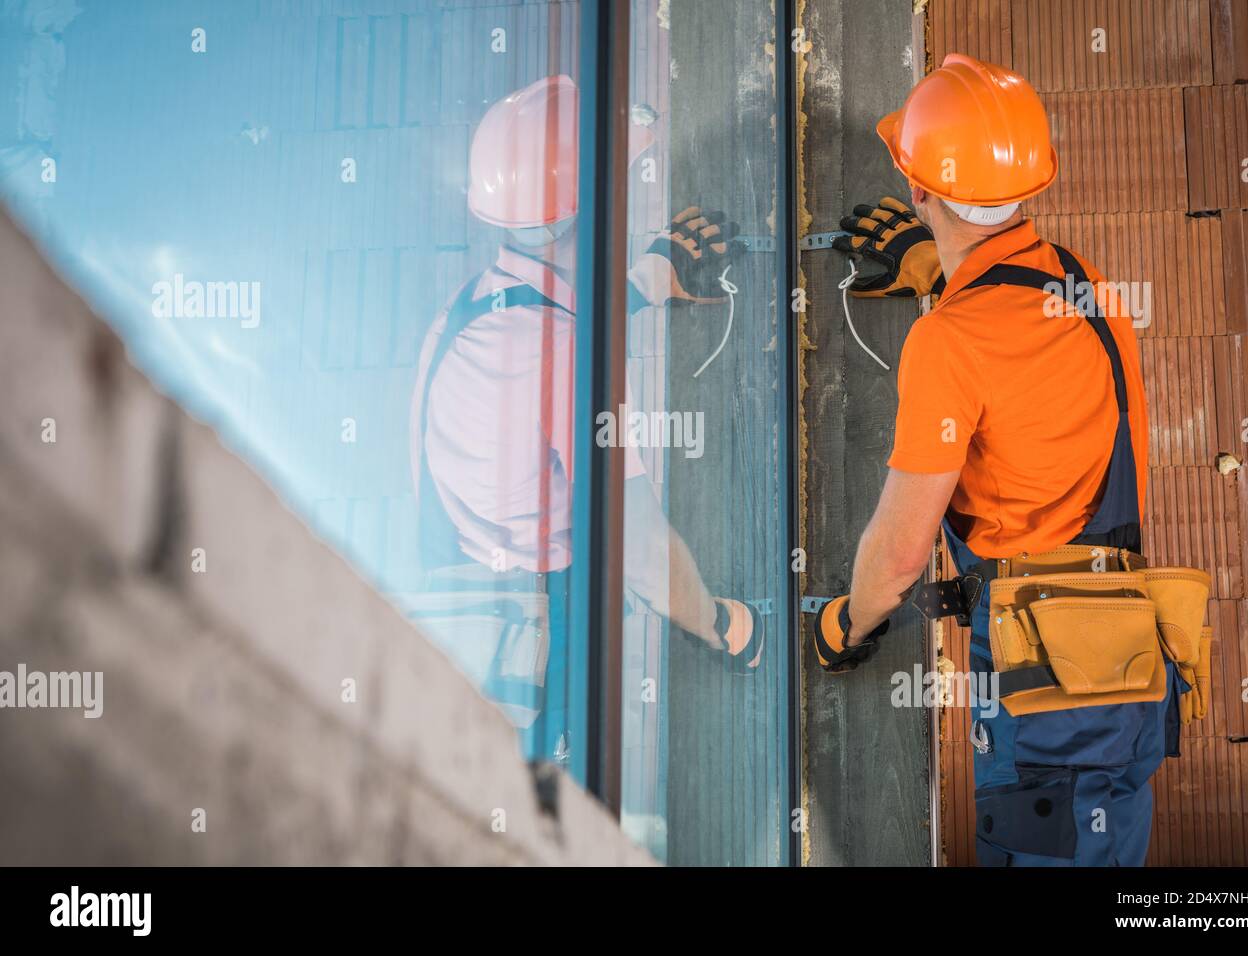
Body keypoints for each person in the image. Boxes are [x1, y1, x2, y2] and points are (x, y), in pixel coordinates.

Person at [813, 54, 1181, 866]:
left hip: (1044, 688)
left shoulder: (949, 343)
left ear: (918, 190)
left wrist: (846, 624)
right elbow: (1024, 370)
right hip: (1122, 661)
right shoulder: (1090, 291)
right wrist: (940, 272)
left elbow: (900, 558)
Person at [409, 75, 765, 737]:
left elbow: (542, 356)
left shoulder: (468, 308)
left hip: (475, 595)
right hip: (540, 637)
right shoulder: (565, 354)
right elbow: (638, 548)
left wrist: (639, 287)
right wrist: (724, 625)